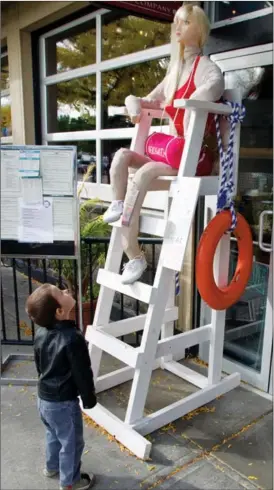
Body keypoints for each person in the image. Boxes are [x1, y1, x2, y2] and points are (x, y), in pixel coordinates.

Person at [102, 4, 224, 285]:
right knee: (121, 157)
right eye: (176, 22)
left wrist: (196, 100)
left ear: (199, 29)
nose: (178, 27)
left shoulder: (204, 68)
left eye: (185, 22)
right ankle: (120, 205)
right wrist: (132, 102)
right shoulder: (174, 72)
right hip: (173, 153)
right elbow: (149, 99)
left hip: (195, 156)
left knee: (143, 173)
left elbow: (216, 83)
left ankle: (133, 254)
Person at [25, 283, 97, 490]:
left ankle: (52, 467)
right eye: (61, 292)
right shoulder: (73, 338)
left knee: (53, 435)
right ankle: (69, 482)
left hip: (44, 399)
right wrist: (89, 398)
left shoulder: (40, 333)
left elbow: (39, 364)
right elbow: (82, 372)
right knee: (72, 444)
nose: (66, 291)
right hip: (63, 403)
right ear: (59, 311)